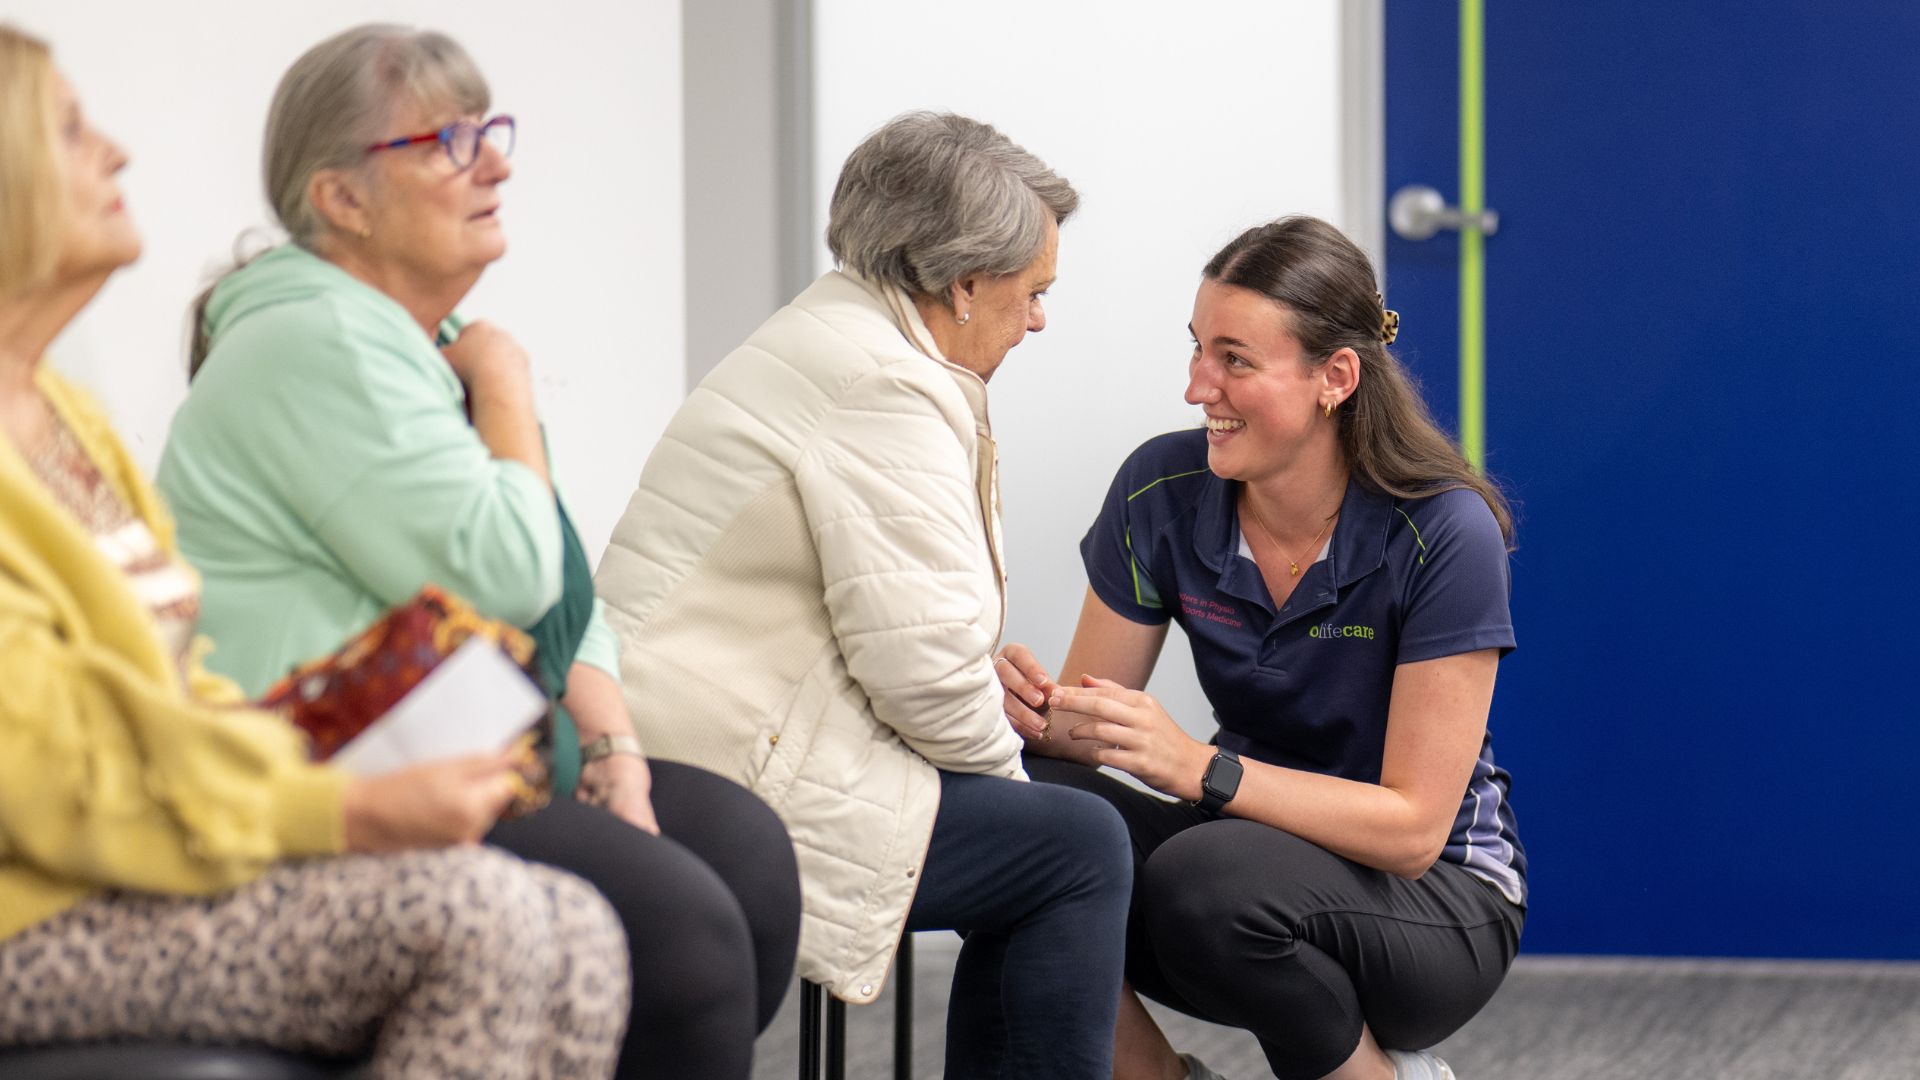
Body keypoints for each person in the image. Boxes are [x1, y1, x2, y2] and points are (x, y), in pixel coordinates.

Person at [153, 25, 797, 1080]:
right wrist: (506, 390)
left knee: (744, 855)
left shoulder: (418, 344)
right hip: (338, 777)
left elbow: (564, 589)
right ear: (342, 198)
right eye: (448, 140)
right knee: (683, 936)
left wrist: (616, 754)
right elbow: (509, 573)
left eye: (488, 129)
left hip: (472, 746)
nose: (494, 161)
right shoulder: (320, 341)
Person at [0, 25, 628, 1078]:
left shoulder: (64, 416)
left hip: (153, 842)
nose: (115, 151)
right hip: (37, 902)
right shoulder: (322, 342)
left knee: (583, 935)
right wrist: (340, 809)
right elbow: (41, 771)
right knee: (486, 922)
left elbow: (176, 681)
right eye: (69, 129)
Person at [594, 111, 1132, 1079]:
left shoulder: (834, 333)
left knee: (1055, 822)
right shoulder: (884, 383)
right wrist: (1004, 766)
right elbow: (918, 674)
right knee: (1077, 844)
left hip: (683, 737)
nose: (1039, 320)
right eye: (1034, 292)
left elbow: (881, 621)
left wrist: (976, 677)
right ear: (965, 284)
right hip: (725, 773)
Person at [1002, 216, 1526, 1080]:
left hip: (1434, 901)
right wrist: (1018, 712)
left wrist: (1198, 768)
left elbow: (1413, 829)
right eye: (1197, 349)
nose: (1196, 387)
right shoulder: (1160, 490)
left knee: (1207, 875)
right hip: (1238, 859)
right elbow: (1081, 733)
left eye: (1235, 360)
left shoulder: (1442, 530)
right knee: (1022, 808)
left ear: (1336, 378)